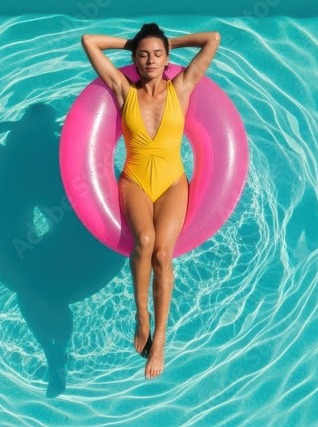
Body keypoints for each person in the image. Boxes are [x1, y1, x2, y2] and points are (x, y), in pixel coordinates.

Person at [80, 24, 220, 379]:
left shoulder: (182, 87)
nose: (151, 60)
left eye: (158, 54)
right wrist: (131, 43)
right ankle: (142, 315)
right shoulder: (123, 90)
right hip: (135, 181)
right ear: (135, 59)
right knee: (144, 241)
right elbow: (89, 41)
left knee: (162, 254)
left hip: (172, 182)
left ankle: (160, 340)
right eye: (143, 55)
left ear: (168, 58)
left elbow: (212, 39)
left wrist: (169, 42)